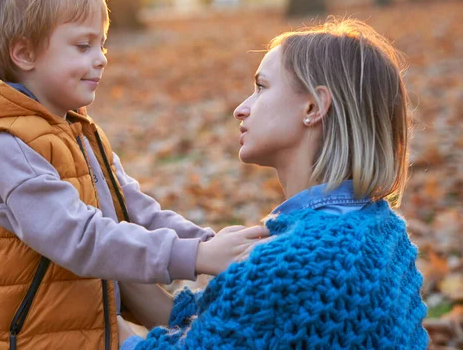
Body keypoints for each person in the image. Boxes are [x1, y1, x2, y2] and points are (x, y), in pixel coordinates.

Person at [0, 0, 268, 350]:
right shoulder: (4, 145)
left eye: (102, 44)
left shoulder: (76, 128)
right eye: (83, 46)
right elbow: (79, 237)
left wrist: (215, 245)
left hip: (85, 333)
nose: (101, 57)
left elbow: (135, 211)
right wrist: (196, 255)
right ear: (24, 54)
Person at [117, 19, 429, 349]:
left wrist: (83, 310)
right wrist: (104, 247)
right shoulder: (380, 228)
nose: (241, 109)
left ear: (312, 106)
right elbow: (213, 327)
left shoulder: (301, 259)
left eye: (261, 87)